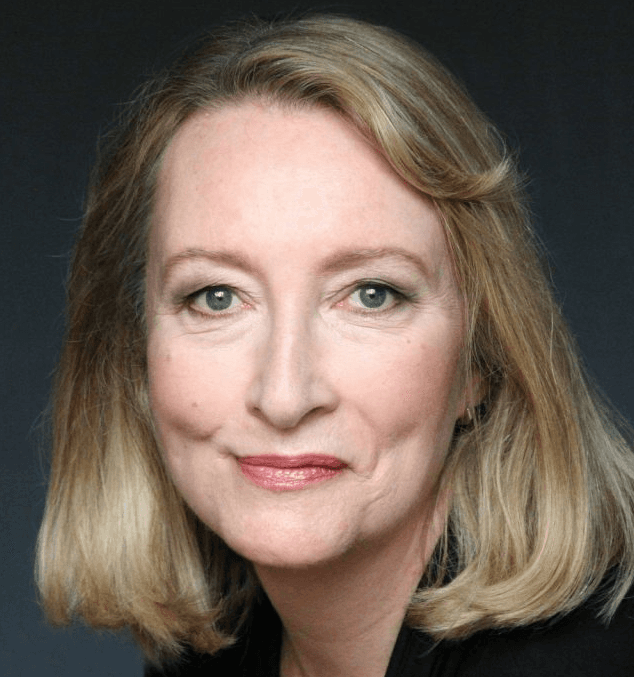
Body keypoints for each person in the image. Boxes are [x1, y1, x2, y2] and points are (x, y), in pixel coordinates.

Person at [36, 13, 634, 677]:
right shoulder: (211, 655)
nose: (284, 395)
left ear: (482, 360)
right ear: (135, 355)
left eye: (372, 294)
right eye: (217, 296)